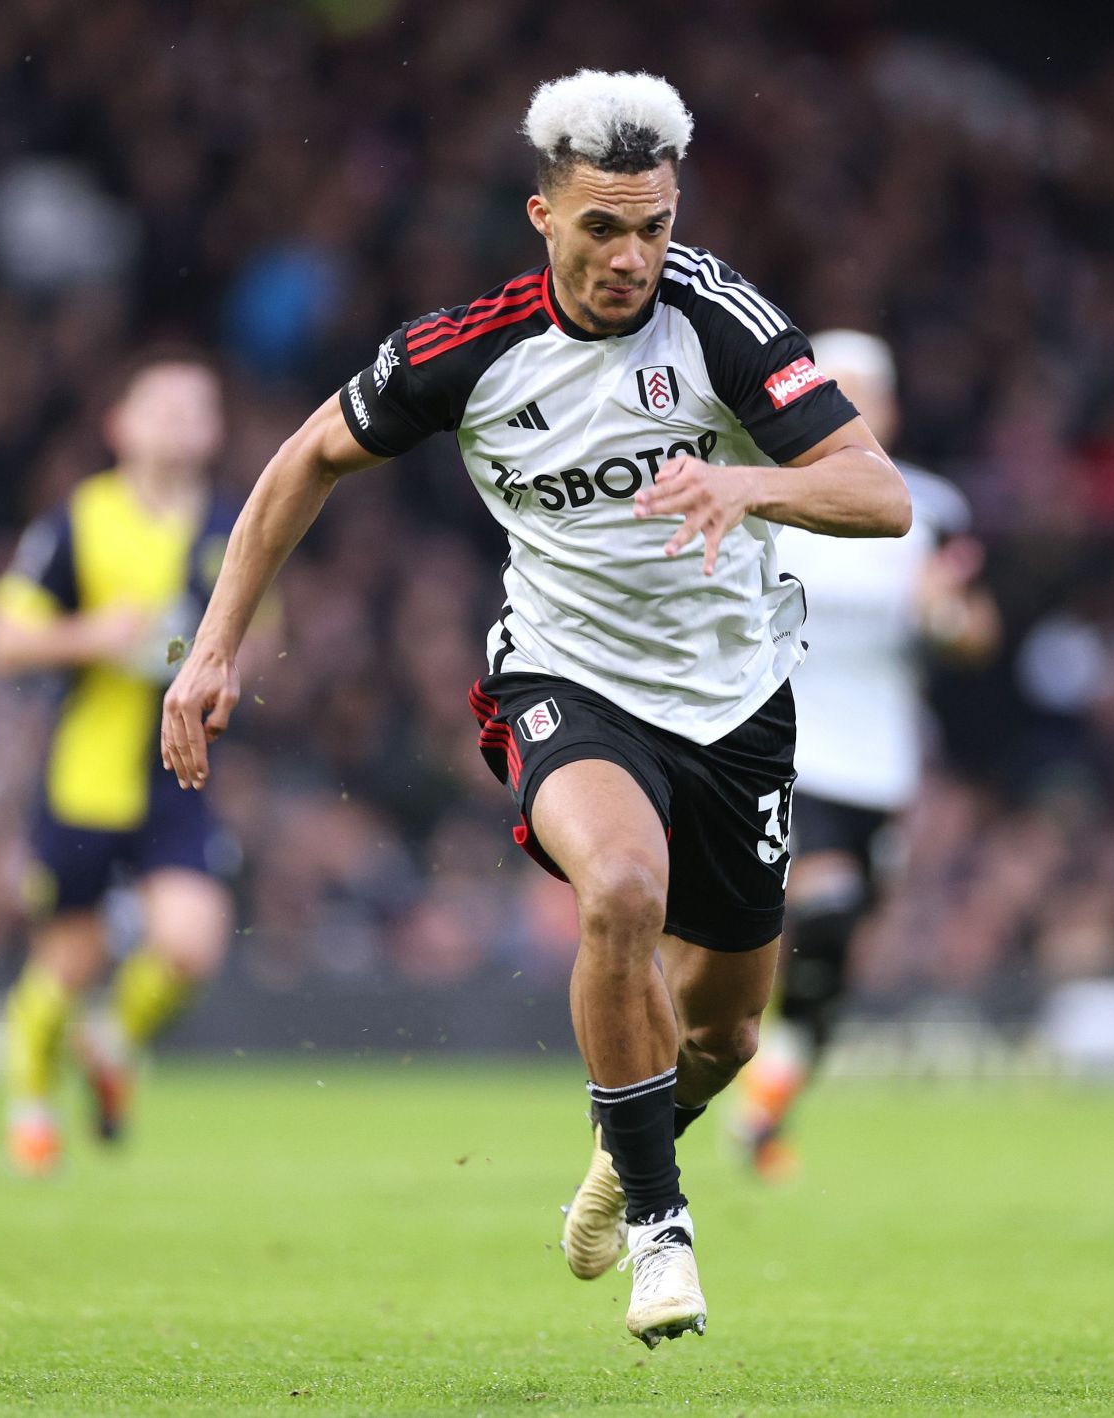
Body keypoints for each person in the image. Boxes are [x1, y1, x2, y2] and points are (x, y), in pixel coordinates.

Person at [158, 70, 910, 1346]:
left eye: (655, 225)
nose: (632, 257)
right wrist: (213, 647)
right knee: (619, 885)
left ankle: (625, 1148)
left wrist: (747, 490)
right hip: (566, 676)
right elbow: (305, 460)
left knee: (725, 1027)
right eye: (603, 227)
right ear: (543, 216)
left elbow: (878, 493)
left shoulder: (719, 320)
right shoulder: (470, 348)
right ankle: (663, 1237)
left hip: (736, 698)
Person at [727, 330, 1000, 1180]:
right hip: (779, 748)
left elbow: (977, 634)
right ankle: (694, 1065)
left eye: (865, 394)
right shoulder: (764, 488)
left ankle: (763, 1111)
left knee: (831, 956)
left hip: (880, 766)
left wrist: (946, 618)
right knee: (824, 911)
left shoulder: (928, 506)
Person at [0, 352, 245, 1178]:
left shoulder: (231, 532)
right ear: (118, 425)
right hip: (87, 774)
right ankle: (29, 1109)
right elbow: (0, 641)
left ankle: (113, 1042)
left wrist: (221, 667)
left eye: (194, 407)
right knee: (72, 958)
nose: (176, 422)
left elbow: (253, 638)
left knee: (193, 943)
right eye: (159, 406)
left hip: (178, 772)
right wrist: (92, 635)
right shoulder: (76, 522)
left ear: (215, 432)